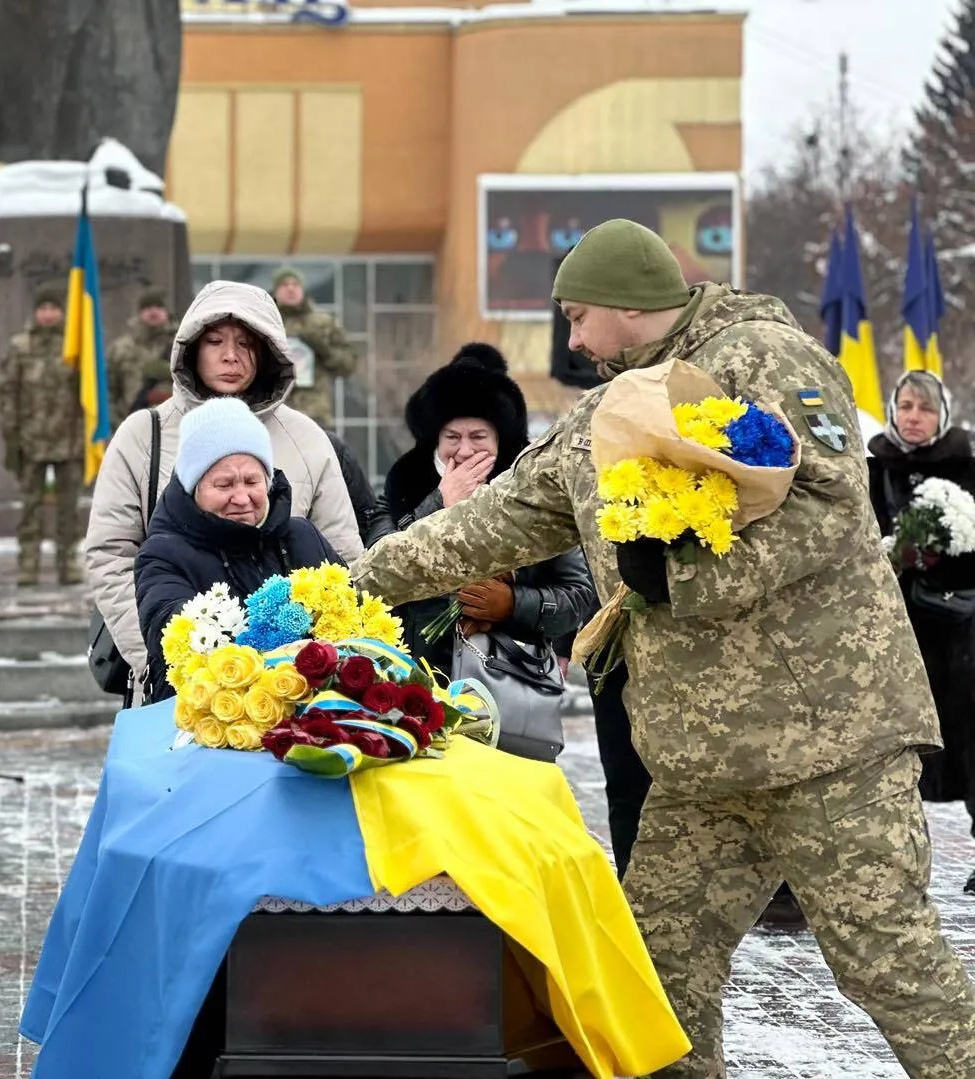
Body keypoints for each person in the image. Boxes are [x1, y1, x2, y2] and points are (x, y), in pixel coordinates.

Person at [351, 219, 975, 1078]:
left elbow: (832, 512)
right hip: (703, 765)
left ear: (625, 306)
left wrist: (673, 577)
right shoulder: (604, 411)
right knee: (653, 972)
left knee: (892, 967)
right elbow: (491, 522)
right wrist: (360, 583)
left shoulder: (763, 358)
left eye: (575, 316)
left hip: (825, 747)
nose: (568, 338)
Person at [85, 280, 363, 701]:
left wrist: (327, 668)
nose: (230, 355)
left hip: (303, 691)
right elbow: (111, 554)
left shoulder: (307, 439)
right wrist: (166, 662)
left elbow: (343, 561)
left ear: (268, 353)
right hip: (184, 690)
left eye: (247, 344)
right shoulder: (146, 435)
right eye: (214, 341)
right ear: (192, 348)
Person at [370, 342, 593, 673]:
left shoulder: (534, 498)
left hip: (507, 673)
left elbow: (576, 597)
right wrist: (439, 503)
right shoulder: (401, 489)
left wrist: (512, 605)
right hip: (413, 672)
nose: (463, 451)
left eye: (478, 437)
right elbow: (376, 570)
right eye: (452, 437)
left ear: (500, 440)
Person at [134, 398, 342, 700]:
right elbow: (169, 628)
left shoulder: (302, 536)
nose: (242, 497)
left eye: (252, 481)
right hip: (211, 722)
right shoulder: (163, 553)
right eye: (224, 485)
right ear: (195, 489)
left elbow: (352, 613)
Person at [869, 369, 975, 894]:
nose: (913, 417)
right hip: (893, 634)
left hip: (960, 637)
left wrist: (944, 555)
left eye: (925, 408)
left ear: (943, 416)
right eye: (906, 406)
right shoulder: (872, 469)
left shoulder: (967, 468)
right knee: (895, 750)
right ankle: (900, 861)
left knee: (970, 742)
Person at [1, 283, 82, 586]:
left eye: (53, 308)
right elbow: (8, 391)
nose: (48, 314)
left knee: (68, 509)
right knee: (30, 507)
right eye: (43, 309)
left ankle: (67, 562)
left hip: (68, 439)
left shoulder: (75, 346)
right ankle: (28, 563)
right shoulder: (20, 346)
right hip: (30, 440)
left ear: (61, 313)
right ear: (35, 313)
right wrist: (11, 433)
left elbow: (88, 394)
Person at [271, 267, 357, 428]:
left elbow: (347, 366)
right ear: (276, 291)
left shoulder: (323, 323)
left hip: (314, 411)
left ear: (302, 289)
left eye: (295, 284)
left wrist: (323, 349)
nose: (290, 288)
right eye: (284, 284)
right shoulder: (267, 322)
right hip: (275, 409)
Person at [106, 287, 178, 423]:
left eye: (158, 306)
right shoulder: (121, 349)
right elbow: (110, 391)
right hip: (131, 423)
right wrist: (116, 425)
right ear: (139, 313)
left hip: (174, 424)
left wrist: (167, 373)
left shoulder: (181, 344)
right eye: (148, 307)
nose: (153, 311)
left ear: (166, 312)